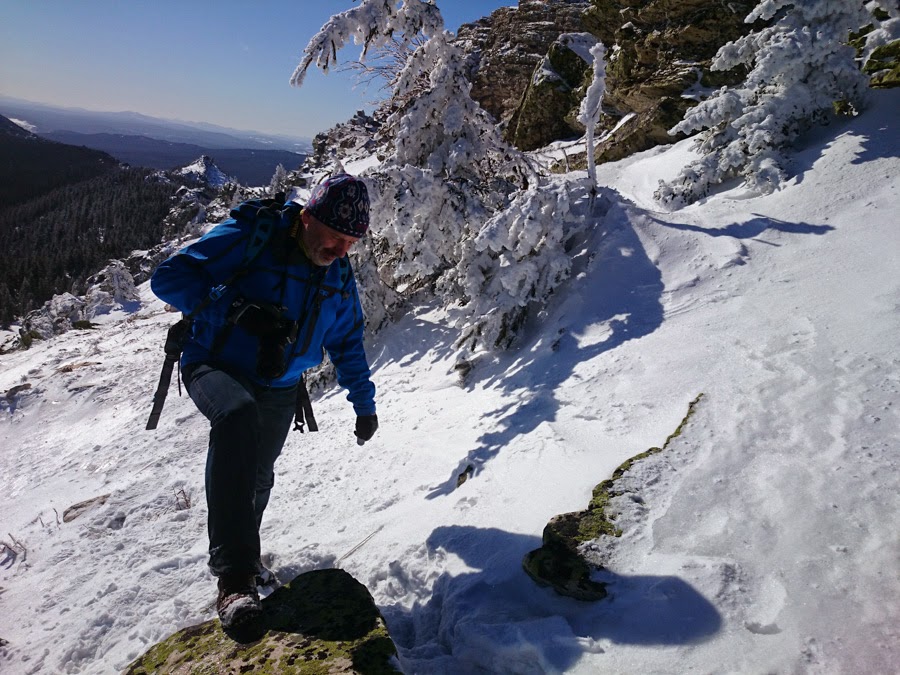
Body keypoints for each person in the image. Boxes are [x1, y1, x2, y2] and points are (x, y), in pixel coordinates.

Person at [150, 173, 378, 629]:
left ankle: (245, 570)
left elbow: (348, 339)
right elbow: (169, 278)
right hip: (213, 363)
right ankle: (232, 580)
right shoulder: (254, 235)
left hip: (279, 385)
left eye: (350, 243)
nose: (340, 252)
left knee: (257, 476)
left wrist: (364, 403)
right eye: (335, 238)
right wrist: (234, 309)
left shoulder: (336, 273)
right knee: (235, 416)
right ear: (308, 218)